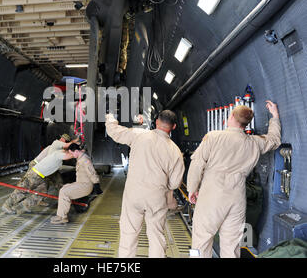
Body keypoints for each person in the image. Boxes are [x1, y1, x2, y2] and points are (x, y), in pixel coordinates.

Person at [187, 100, 281, 258]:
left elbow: (196, 165)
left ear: (231, 116)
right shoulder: (254, 143)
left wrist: (192, 189)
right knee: (232, 246)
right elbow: (274, 140)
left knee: (201, 241)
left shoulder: (213, 137)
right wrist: (275, 116)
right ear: (246, 124)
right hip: (237, 199)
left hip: (211, 196)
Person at [105, 111, 185, 258]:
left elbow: (114, 132)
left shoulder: (139, 135)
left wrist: (110, 117)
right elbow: (174, 183)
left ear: (157, 121)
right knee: (156, 236)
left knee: (128, 233)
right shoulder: (175, 151)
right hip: (157, 198)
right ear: (173, 127)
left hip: (133, 195)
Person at [2, 149, 74, 214]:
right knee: (22, 190)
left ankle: (26, 204)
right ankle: (7, 205)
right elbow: (66, 156)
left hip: (41, 176)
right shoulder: (58, 153)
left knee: (42, 192)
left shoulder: (59, 158)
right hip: (34, 174)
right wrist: (77, 154)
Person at [51, 143, 102, 224]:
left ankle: (63, 217)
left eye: (72, 153)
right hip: (80, 183)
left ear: (77, 151)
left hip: (85, 186)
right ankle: (60, 215)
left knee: (65, 192)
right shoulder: (80, 157)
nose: (71, 155)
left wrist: (97, 185)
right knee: (63, 189)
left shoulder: (84, 159)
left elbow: (91, 172)